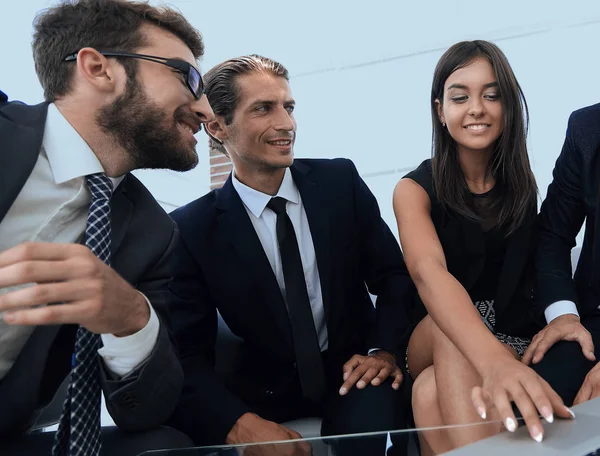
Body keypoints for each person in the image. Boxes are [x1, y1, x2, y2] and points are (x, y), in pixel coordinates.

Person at [167, 54, 415, 455]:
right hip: (258, 393)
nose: (286, 123)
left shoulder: (340, 183)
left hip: (355, 375)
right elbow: (187, 353)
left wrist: (383, 351)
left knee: (373, 434)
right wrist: (235, 422)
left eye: (289, 106)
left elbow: (393, 277)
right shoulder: (191, 230)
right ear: (216, 126)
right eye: (264, 109)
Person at [0, 0, 214, 455]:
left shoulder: (154, 234)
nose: (205, 108)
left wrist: (131, 316)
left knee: (166, 446)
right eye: (188, 78)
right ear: (97, 69)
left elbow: (146, 410)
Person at [392, 40, 572, 455]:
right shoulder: (413, 189)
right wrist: (494, 362)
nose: (476, 107)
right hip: (433, 337)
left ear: (509, 106)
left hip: (512, 335)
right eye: (460, 97)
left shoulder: (523, 188)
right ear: (440, 110)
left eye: (492, 95)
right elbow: (428, 274)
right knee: (447, 322)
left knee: (427, 392)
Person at [523, 102, 600, 408]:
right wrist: (564, 316)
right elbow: (552, 236)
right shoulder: (587, 127)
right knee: (532, 408)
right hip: (592, 320)